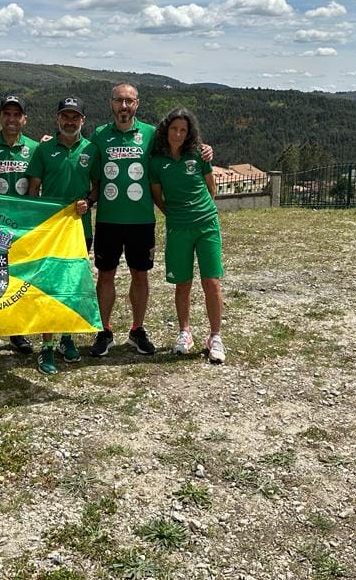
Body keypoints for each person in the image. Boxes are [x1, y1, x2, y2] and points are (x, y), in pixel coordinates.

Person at [87, 82, 211, 358]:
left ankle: (137, 330)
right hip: (108, 219)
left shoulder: (151, 135)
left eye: (129, 101)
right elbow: (82, 156)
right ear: (111, 103)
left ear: (137, 104)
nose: (124, 106)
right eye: (119, 101)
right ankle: (104, 330)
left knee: (139, 275)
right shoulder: (98, 135)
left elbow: (180, 148)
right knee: (105, 275)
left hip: (142, 220)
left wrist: (204, 150)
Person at [149, 108, 225, 364]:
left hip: (206, 225)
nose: (178, 134)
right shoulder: (157, 161)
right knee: (183, 283)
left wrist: (201, 213)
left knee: (211, 282)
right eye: (174, 129)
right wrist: (175, 215)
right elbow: (157, 196)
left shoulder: (199, 153)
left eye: (183, 130)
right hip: (177, 227)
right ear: (165, 130)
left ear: (189, 132)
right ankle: (185, 332)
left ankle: (215, 336)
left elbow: (211, 188)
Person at [25, 96, 93, 375]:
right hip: (50, 233)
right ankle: (46, 348)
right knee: (49, 290)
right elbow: (33, 191)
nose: (69, 121)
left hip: (79, 230)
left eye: (74, 117)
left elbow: (97, 187)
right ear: (57, 119)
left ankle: (67, 339)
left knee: (72, 287)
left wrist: (89, 201)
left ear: (82, 121)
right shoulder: (43, 150)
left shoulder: (92, 149)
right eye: (65, 116)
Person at [0, 93, 40, 357]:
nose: (12, 119)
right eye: (7, 114)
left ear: (25, 119)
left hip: (22, 226)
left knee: (18, 278)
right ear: (0, 116)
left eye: (17, 114)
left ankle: (17, 332)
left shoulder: (36, 148)